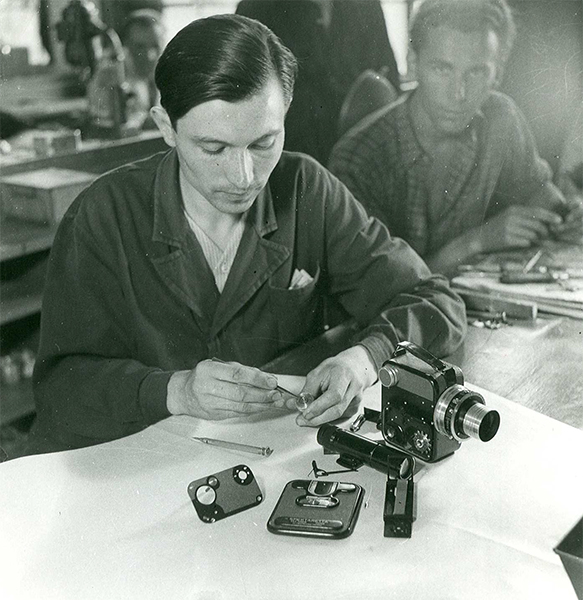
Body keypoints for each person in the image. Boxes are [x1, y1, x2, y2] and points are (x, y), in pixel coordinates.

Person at [27, 14, 465, 454]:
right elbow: (61, 387)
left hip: (265, 463)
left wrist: (364, 358)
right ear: (166, 127)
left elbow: (434, 299)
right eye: (213, 148)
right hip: (133, 469)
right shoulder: (102, 215)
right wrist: (176, 390)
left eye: (263, 143)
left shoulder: (304, 187)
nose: (244, 177)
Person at [329, 0, 583, 276]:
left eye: (476, 72)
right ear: (413, 64)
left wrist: (567, 216)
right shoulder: (358, 158)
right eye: (442, 69)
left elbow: (537, 191)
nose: (458, 94)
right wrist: (477, 241)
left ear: (497, 73)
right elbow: (375, 287)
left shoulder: (501, 117)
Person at [235, 0, 400, 165]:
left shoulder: (366, 5)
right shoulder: (256, 7)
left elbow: (389, 81)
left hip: (360, 156)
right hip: (287, 157)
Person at [120, 9, 165, 122]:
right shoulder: (113, 76)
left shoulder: (170, 71)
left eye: (155, 46)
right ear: (126, 46)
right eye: (140, 47)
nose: (150, 56)